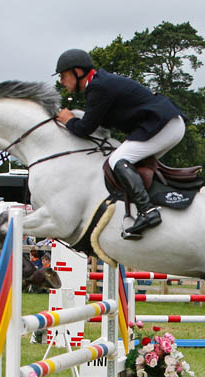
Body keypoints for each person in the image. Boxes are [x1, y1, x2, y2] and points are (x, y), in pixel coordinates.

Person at [54, 48, 186, 238]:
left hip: (163, 125)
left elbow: (84, 129)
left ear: (77, 71)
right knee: (132, 165)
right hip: (165, 124)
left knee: (117, 159)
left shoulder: (98, 87)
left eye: (64, 75)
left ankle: (148, 212)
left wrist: (68, 119)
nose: (61, 81)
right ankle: (153, 206)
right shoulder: (99, 83)